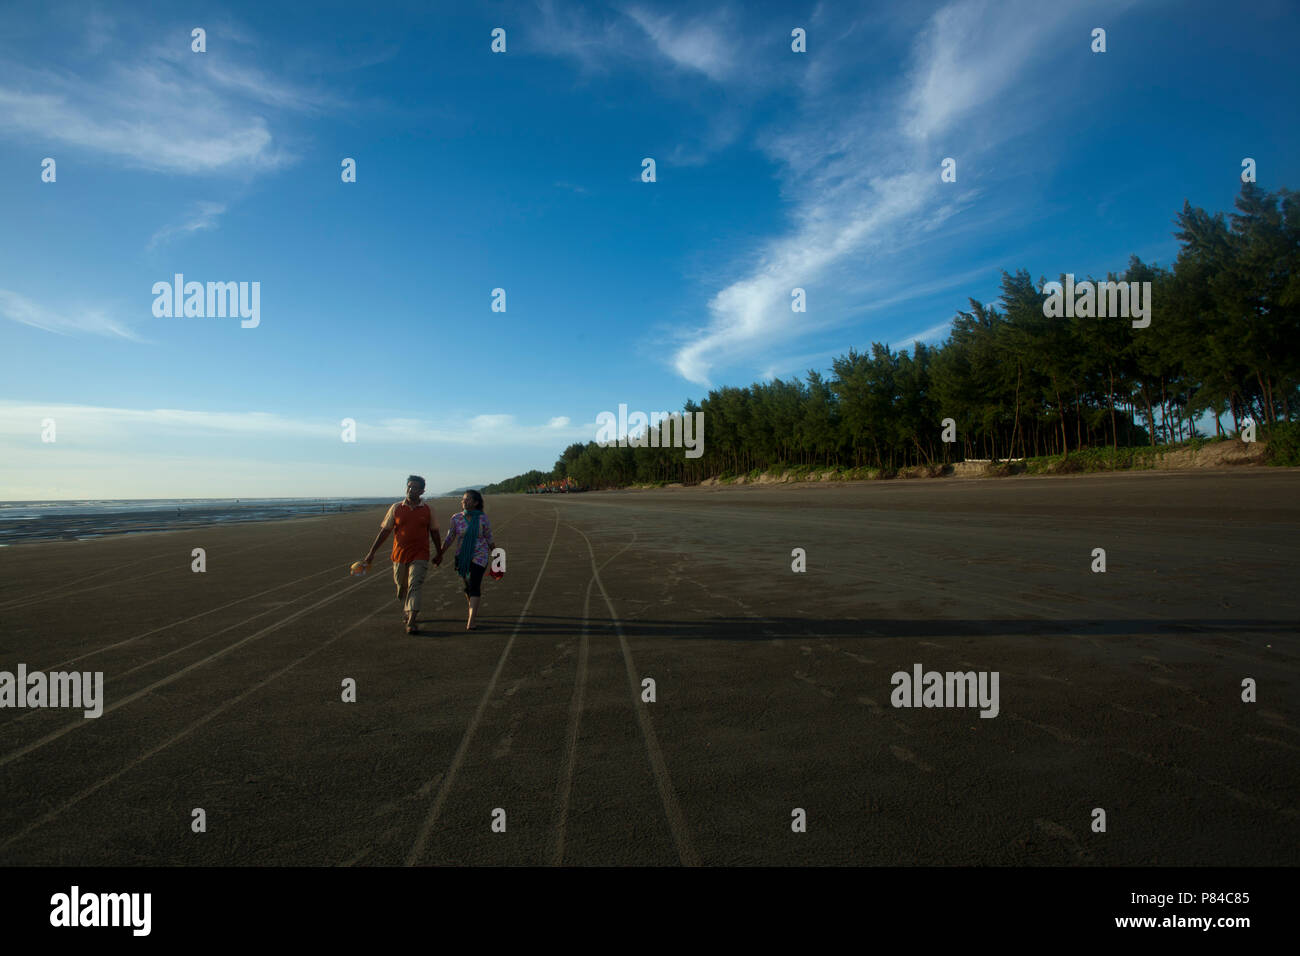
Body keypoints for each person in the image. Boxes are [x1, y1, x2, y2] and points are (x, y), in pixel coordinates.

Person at [361, 475, 443, 634]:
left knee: (415, 585)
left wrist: (439, 553)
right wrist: (371, 552)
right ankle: (407, 606)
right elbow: (385, 531)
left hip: (420, 553)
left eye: (415, 487)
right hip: (399, 555)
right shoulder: (396, 508)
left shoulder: (428, 509)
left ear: (422, 491)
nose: (411, 490)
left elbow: (435, 533)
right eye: (409, 486)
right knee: (401, 586)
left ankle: (411, 620)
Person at [437, 490, 494, 631]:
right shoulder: (456, 518)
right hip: (462, 557)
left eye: (467, 499)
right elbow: (450, 538)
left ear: (475, 502)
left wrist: (497, 554)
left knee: (474, 584)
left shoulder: (482, 518)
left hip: (480, 556)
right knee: (467, 586)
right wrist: (440, 553)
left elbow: (489, 537)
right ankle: (472, 608)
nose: (463, 501)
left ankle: (471, 621)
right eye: (463, 499)